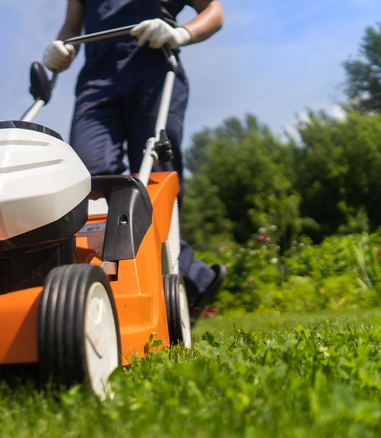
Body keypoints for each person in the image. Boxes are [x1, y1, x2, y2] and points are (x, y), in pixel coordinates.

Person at [42, 0, 227, 324]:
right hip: (96, 81)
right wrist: (61, 49)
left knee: (154, 179)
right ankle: (185, 278)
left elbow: (213, 12)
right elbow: (72, 28)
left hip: (154, 67)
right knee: (91, 181)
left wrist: (181, 33)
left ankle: (163, 284)